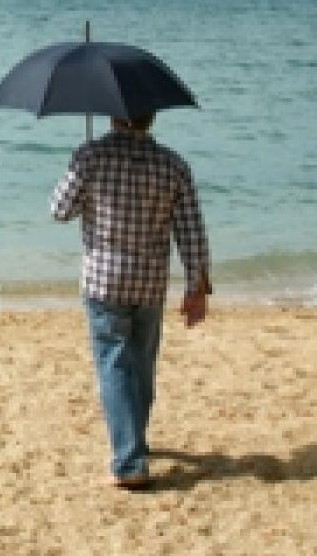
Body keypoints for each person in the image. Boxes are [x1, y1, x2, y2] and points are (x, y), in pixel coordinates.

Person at [51, 112, 211, 490]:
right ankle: (134, 442)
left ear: (114, 114)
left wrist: (85, 181)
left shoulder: (91, 156)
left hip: (104, 281)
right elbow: (190, 228)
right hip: (149, 283)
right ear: (151, 116)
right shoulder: (173, 164)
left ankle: (129, 462)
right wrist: (197, 283)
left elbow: (59, 210)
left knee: (115, 365)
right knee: (140, 365)